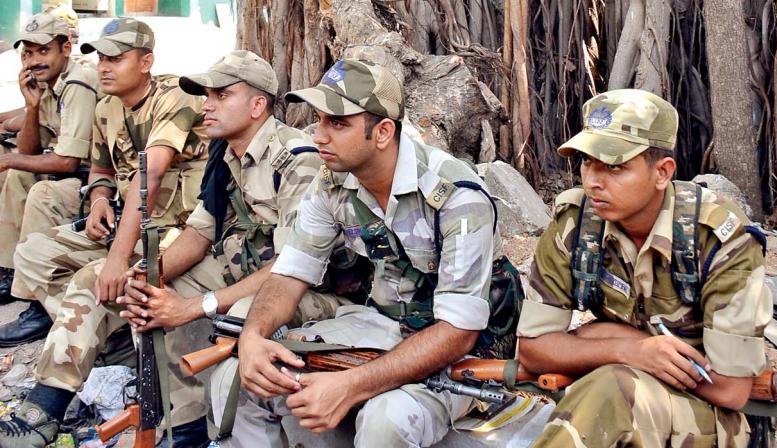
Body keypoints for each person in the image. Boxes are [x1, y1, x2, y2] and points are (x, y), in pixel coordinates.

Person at [209, 58, 516, 448]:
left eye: (337, 123)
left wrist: (349, 386)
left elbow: (457, 332)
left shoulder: (455, 196)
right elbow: (289, 275)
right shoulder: (332, 183)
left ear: (383, 132)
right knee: (235, 377)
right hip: (380, 323)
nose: (318, 135)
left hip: (458, 346)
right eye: (318, 120)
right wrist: (254, 337)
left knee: (385, 419)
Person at [516, 89, 773, 447]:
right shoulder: (575, 224)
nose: (592, 181)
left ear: (662, 172)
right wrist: (632, 350)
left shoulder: (718, 238)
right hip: (617, 390)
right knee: (608, 387)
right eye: (588, 162)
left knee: (612, 389)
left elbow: (731, 389)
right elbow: (532, 349)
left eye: (615, 166)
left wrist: (593, 338)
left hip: (710, 415)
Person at [0, 18, 209, 448]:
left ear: (146, 62)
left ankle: (45, 409)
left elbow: (148, 175)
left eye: (117, 58)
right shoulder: (106, 107)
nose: (105, 67)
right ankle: (115, 343)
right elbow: (100, 170)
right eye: (101, 59)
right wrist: (97, 200)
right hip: (128, 223)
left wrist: (116, 256)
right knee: (35, 253)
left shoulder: (176, 97)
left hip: (179, 231)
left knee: (98, 276)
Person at [117, 50, 354, 368]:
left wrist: (193, 306)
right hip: (243, 269)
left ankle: (232, 406)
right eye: (207, 95)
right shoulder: (226, 156)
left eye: (222, 94)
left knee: (245, 313)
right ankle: (185, 410)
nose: (207, 105)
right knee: (156, 295)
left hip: (304, 290)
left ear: (258, 106)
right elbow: (199, 232)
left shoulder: (297, 160)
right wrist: (146, 277)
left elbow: (292, 268)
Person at [0, 14, 98, 339]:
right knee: (17, 175)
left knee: (43, 193)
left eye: (43, 51)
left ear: (65, 48)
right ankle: (12, 272)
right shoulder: (48, 83)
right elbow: (31, 150)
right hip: (78, 172)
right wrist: (31, 107)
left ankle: (38, 308)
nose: (35, 60)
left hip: (98, 180)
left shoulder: (78, 82)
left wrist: (9, 159)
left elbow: (69, 162)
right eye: (28, 52)